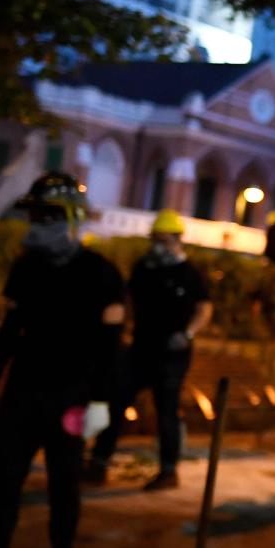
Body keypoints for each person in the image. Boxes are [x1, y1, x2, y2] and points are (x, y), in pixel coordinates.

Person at [0, 172, 125, 548]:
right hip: (22, 396)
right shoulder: (27, 269)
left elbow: (110, 348)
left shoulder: (101, 273)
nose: (37, 225)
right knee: (2, 485)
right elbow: (6, 339)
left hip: (71, 400)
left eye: (47, 216)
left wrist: (103, 402)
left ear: (70, 219)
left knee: (64, 487)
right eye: (35, 216)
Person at [86, 209, 212, 490]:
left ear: (177, 239)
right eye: (155, 239)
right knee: (117, 401)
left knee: (166, 410)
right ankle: (99, 462)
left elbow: (204, 309)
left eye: (163, 239)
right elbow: (128, 300)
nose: (157, 245)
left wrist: (187, 334)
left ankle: (168, 471)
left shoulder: (190, 274)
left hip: (172, 353)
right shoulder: (144, 268)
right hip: (141, 348)